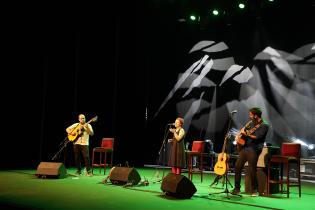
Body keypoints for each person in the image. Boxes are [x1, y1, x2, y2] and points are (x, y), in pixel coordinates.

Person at [232, 107, 269, 196]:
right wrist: (239, 135)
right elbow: (242, 131)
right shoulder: (250, 123)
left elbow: (258, 137)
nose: (250, 116)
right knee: (237, 167)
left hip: (255, 148)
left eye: (251, 115)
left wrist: (247, 134)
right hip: (245, 147)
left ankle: (254, 190)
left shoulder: (264, 125)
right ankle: (237, 189)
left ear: (256, 116)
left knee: (252, 169)